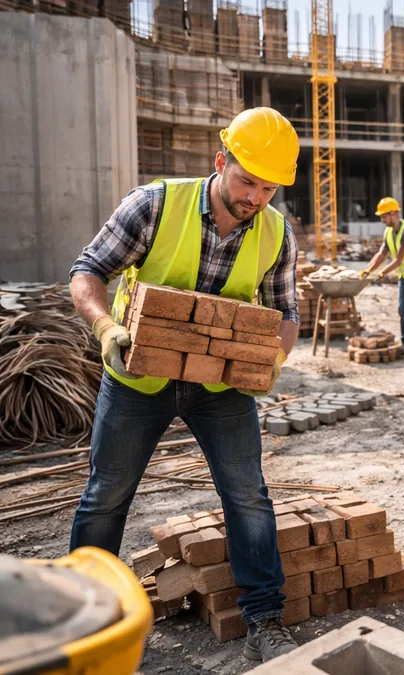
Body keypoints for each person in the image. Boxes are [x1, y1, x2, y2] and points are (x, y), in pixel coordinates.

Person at [69, 107, 304, 662]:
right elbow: (87, 271)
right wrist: (106, 328)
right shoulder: (154, 205)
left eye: (268, 188)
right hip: (136, 377)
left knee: (248, 496)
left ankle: (265, 621)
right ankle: (80, 617)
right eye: (247, 181)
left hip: (219, 387)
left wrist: (274, 359)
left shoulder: (277, 234)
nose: (255, 197)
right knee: (106, 497)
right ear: (220, 161)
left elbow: (285, 312)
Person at [359, 197, 404, 359]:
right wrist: (367, 270)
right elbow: (381, 254)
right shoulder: (389, 232)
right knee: (402, 310)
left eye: (384, 216)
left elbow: (398, 259)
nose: (382, 219)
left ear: (393, 214)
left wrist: (381, 273)